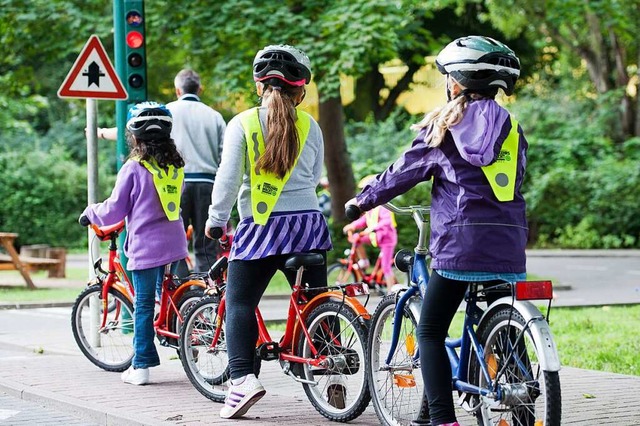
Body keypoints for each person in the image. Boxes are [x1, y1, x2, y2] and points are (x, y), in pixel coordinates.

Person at [345, 36, 527, 426]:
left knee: (428, 330)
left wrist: (363, 201)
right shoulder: (512, 128)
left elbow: (402, 173)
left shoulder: (443, 127)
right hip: (509, 241)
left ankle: (444, 419)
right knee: (504, 313)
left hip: (459, 243)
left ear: (456, 83)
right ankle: (525, 390)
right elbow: (516, 179)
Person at [204, 44, 331, 419]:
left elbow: (227, 180)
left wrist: (216, 220)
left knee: (240, 302)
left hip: (261, 227)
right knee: (316, 303)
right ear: (301, 92)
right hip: (308, 226)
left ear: (259, 86)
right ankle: (328, 365)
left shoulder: (242, 122)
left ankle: (243, 380)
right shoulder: (312, 125)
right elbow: (316, 174)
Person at [80, 102, 188, 386]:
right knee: (164, 296)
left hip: (146, 247)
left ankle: (141, 365)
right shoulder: (175, 164)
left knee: (142, 305)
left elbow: (115, 210)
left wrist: (91, 211)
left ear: (134, 137)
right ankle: (183, 332)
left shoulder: (134, 167)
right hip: (174, 243)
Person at [166, 69, 227, 276]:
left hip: (175, 186)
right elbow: (224, 156)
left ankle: (182, 293)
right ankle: (206, 294)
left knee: (176, 245)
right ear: (199, 89)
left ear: (177, 90)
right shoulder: (215, 117)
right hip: (208, 185)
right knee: (206, 245)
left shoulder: (167, 112)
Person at [342, 175, 398, 291]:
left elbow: (387, 221)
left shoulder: (383, 205)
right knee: (356, 238)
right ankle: (364, 261)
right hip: (376, 237)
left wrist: (371, 228)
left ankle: (391, 293)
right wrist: (352, 225)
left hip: (387, 238)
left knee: (385, 266)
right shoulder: (370, 207)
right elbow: (363, 220)